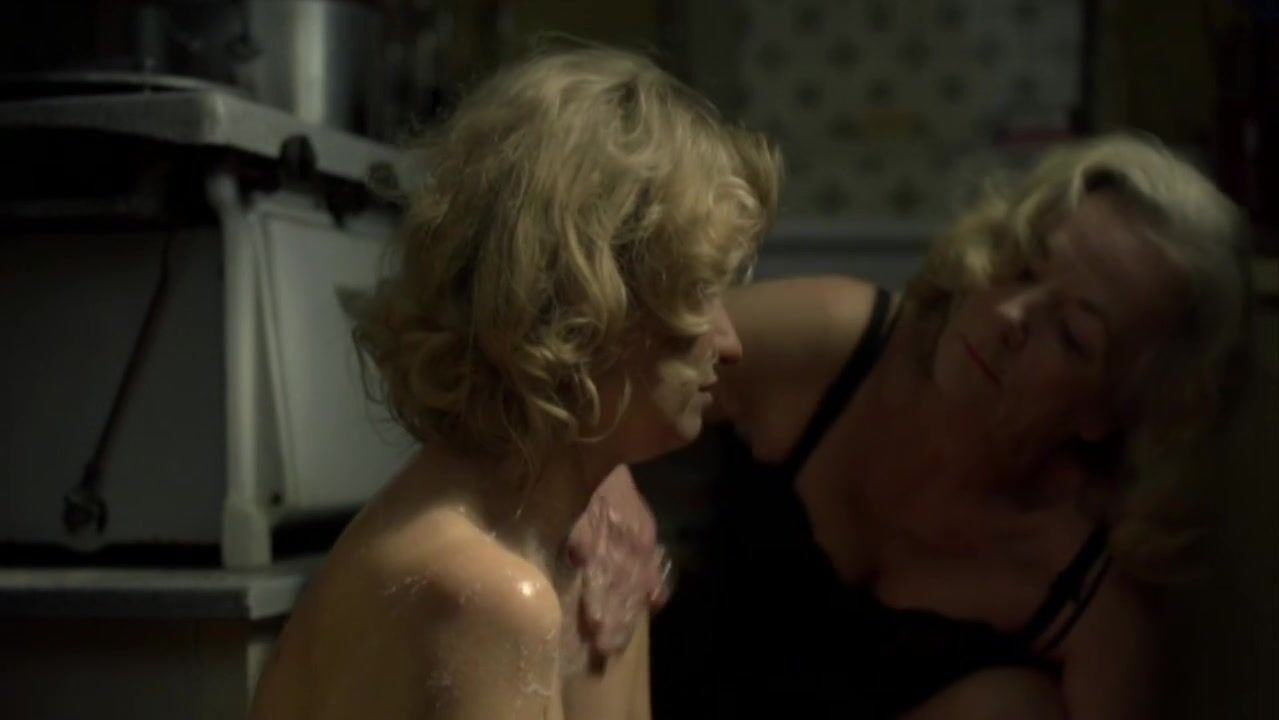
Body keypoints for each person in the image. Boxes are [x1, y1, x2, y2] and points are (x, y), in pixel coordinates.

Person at [567, 134, 1254, 718]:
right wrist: (605, 484)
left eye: (1071, 335)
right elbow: (578, 380)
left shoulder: (1091, 595)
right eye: (1021, 264)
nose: (1009, 315)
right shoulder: (839, 338)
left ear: (1114, 410)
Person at [249, 46, 779, 720]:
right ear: (587, 308)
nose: (729, 343)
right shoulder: (488, 599)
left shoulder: (582, 561)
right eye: (700, 293)